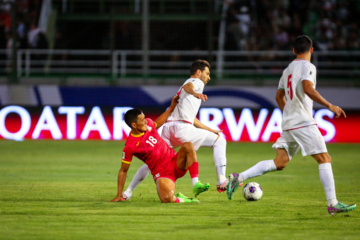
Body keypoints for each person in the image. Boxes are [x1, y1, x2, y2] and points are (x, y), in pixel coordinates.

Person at [227, 35, 356, 215]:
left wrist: (288, 113)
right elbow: (308, 88)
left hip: (289, 122)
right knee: (324, 159)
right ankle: (333, 203)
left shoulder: (287, 70)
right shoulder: (308, 66)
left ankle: (238, 177)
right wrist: (330, 105)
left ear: (294, 51)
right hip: (303, 121)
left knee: (280, 162)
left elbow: (279, 97)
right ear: (311, 50)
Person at [121, 59, 230, 200]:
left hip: (169, 128)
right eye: (207, 73)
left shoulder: (186, 90)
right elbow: (189, 87)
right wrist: (196, 93)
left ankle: (128, 192)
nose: (209, 77)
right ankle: (221, 180)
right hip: (182, 129)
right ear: (198, 72)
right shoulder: (196, 83)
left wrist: (210, 129)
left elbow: (191, 118)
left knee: (154, 162)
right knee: (220, 141)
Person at [110, 96, 206, 203]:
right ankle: (185, 200)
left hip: (174, 161)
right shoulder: (130, 146)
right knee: (166, 199)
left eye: (144, 118)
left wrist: (171, 108)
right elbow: (123, 171)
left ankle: (196, 184)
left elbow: (158, 123)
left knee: (188, 145)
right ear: (134, 125)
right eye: (142, 120)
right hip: (162, 172)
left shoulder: (148, 125)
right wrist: (119, 195)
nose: (146, 121)